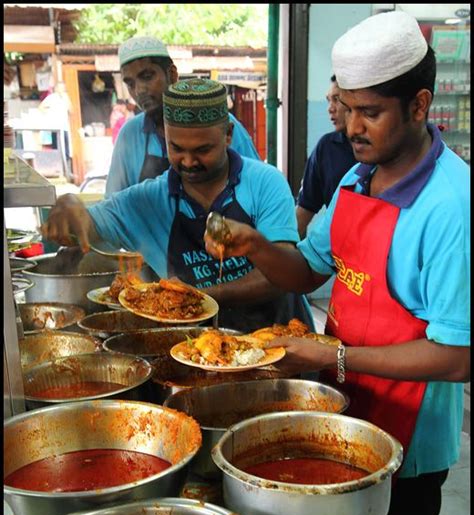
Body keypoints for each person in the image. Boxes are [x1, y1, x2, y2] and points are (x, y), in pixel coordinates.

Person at [204, 11, 470, 515]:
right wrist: (254, 244)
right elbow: (308, 268)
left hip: (409, 432)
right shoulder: (357, 178)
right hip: (346, 402)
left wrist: (335, 353)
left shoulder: (453, 207)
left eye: (370, 113)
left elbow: (456, 355)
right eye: (347, 109)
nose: (351, 128)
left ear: (419, 106)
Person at [42, 78, 313, 334]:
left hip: (279, 342)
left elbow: (279, 277)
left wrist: (200, 298)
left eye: (202, 150)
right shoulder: (148, 201)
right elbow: (89, 222)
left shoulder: (265, 183)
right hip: (195, 351)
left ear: (228, 135)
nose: (188, 161)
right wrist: (69, 203)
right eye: (177, 148)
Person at [105, 36, 260, 197]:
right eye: (130, 83)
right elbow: (113, 203)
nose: (139, 90)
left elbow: (256, 190)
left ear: (172, 74)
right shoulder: (129, 136)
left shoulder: (218, 123)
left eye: (147, 76)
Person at [296, 75, 357, 239]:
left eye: (337, 99)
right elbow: (304, 209)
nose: (330, 108)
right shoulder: (326, 148)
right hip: (337, 252)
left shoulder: (381, 150)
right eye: (329, 100)